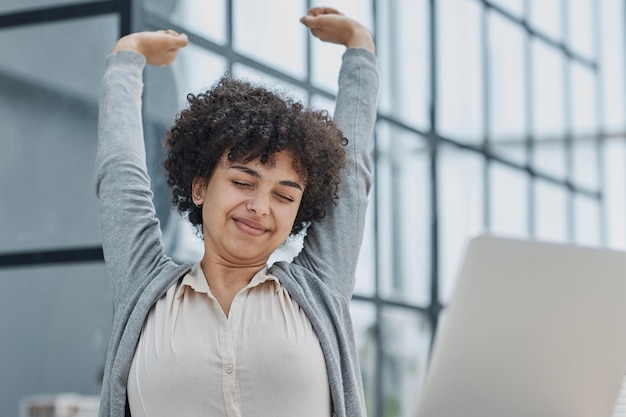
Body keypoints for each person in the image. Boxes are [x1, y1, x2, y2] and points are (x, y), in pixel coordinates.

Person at [94, 6, 378, 417]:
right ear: (200, 186)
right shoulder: (144, 289)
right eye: (243, 183)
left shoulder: (320, 288)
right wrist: (128, 58)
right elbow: (118, 172)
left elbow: (352, 176)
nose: (260, 207)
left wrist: (360, 49)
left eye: (284, 196)